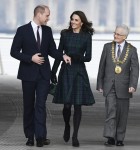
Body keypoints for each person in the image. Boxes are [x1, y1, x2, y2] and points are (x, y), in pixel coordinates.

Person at [10, 5, 71, 147]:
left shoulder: (48, 31)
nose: (48, 18)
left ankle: (40, 137)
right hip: (28, 74)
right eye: (47, 15)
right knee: (28, 105)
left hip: (44, 74)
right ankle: (29, 137)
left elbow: (52, 50)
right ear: (39, 14)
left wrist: (63, 56)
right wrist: (30, 58)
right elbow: (14, 52)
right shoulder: (22, 30)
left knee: (40, 105)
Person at [51, 11, 95, 147]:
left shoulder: (87, 36)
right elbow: (59, 53)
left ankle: (75, 136)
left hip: (79, 72)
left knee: (77, 105)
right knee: (67, 105)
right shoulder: (65, 34)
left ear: (82, 22)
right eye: (72, 19)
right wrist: (53, 72)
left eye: (76, 20)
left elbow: (88, 57)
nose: (73, 22)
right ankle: (67, 125)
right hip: (66, 71)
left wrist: (74, 57)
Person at [96, 24, 139, 146]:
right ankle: (110, 137)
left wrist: (133, 85)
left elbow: (135, 69)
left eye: (118, 34)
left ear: (125, 36)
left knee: (122, 113)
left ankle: (120, 138)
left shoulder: (132, 50)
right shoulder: (107, 47)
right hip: (109, 85)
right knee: (110, 111)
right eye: (115, 33)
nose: (115, 35)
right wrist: (100, 83)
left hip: (125, 86)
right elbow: (101, 66)